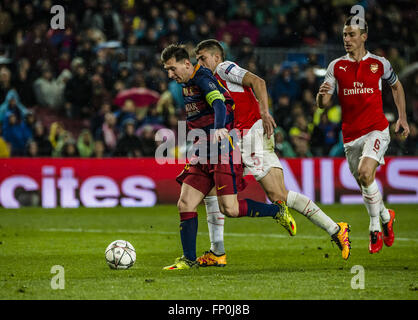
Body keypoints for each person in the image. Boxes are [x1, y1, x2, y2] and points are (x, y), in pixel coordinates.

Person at [194, 39, 351, 266]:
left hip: (252, 137)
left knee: (279, 195)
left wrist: (265, 112)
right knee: (212, 190)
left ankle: (336, 229)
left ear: (216, 57)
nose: (199, 62)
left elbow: (258, 82)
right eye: (197, 59)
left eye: (202, 58)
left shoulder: (224, 68)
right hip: (236, 142)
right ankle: (217, 252)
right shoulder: (209, 82)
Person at [160, 44, 296, 270]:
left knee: (230, 210)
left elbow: (219, 103)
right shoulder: (186, 84)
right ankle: (188, 259)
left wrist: (221, 128)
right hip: (202, 151)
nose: (170, 74)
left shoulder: (202, 78)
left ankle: (277, 210)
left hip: (222, 150)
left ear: (186, 64)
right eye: (167, 70)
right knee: (185, 203)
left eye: (172, 69)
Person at [316, 16, 410, 254]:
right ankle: (387, 215)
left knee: (365, 172)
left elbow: (397, 86)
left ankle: (375, 227)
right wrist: (320, 96)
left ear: (364, 37)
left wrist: (402, 117)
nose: (347, 39)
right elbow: (323, 103)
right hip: (350, 136)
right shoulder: (336, 66)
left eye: (352, 35)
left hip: (377, 129)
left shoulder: (379, 64)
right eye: (345, 35)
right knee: (364, 182)